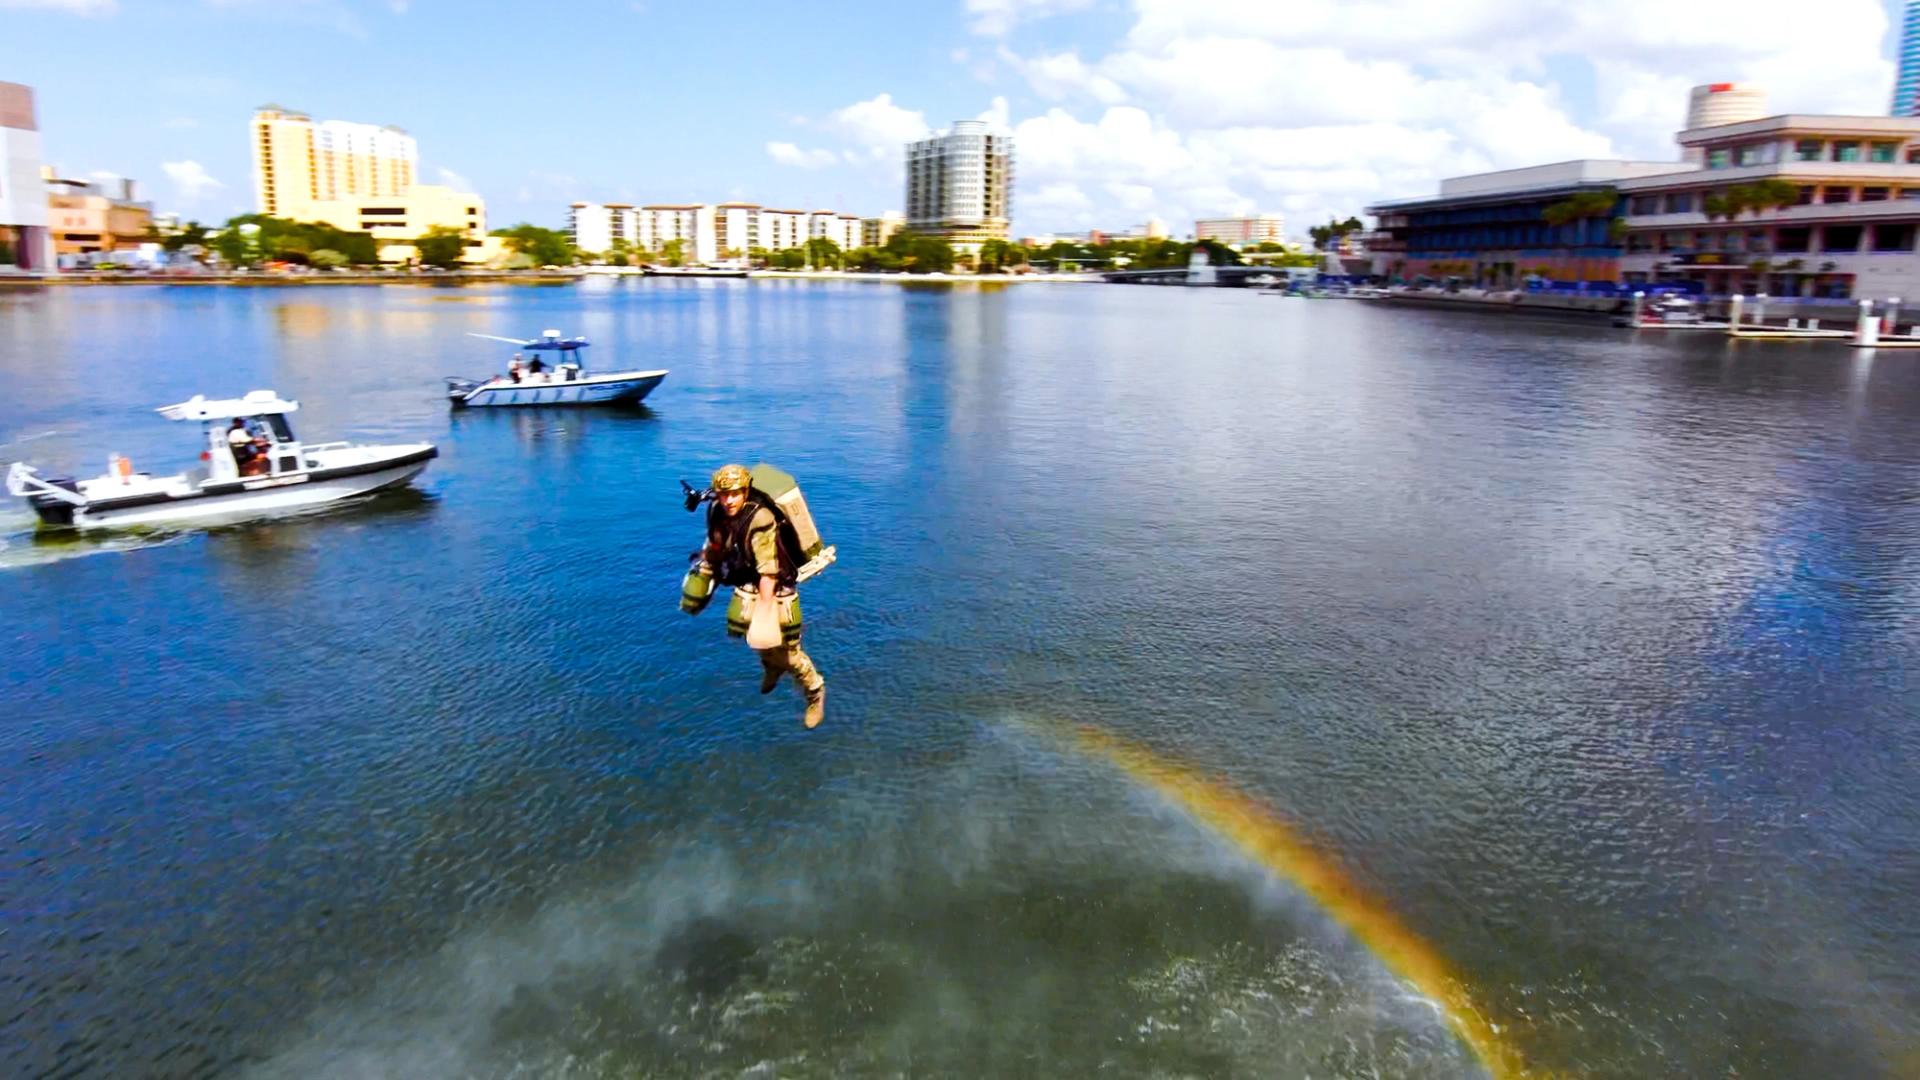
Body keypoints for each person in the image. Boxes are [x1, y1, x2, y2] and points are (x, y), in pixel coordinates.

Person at [701, 463, 825, 728]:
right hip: (750, 578)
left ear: (745, 491)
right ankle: (772, 666)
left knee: (789, 653)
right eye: (723, 494)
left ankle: (815, 692)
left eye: (734, 493)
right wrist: (706, 569)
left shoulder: (761, 519)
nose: (728, 500)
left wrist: (765, 612)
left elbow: (769, 571)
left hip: (778, 586)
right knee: (748, 630)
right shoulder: (719, 512)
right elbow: (716, 542)